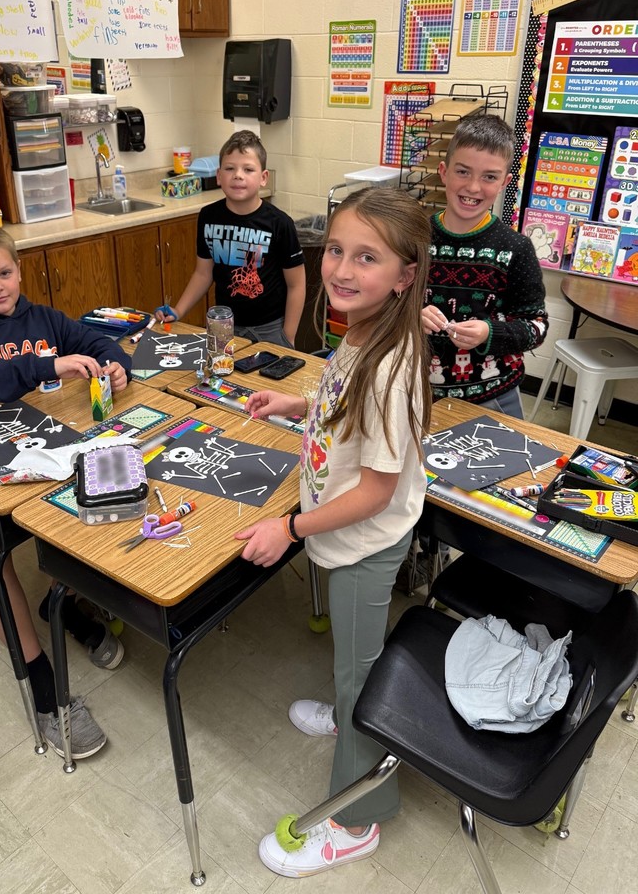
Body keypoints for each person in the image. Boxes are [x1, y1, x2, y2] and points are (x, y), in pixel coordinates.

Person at [233, 187, 433, 877]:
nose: (343, 270)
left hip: (364, 543)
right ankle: (350, 705)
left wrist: (289, 527)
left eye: (367, 257)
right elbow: (338, 398)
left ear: (405, 275)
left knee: (362, 675)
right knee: (354, 656)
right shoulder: (358, 326)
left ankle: (356, 819)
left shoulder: (395, 364)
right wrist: (296, 403)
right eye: (338, 251)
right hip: (340, 529)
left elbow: (377, 491)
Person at [0, 222, 133, 759]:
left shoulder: (43, 318)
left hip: (30, 443)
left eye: (5, 272)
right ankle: (43, 688)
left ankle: (70, 609)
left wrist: (115, 364)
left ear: (19, 268)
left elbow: (97, 339)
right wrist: (46, 365)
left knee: (97, 494)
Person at [421, 114, 548, 419]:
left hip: (495, 397)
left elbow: (537, 327)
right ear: (444, 172)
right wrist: (409, 314)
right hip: (417, 392)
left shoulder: (516, 249)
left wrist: (489, 334)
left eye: (489, 177)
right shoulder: (413, 239)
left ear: (505, 182)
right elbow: (386, 302)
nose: (474, 187)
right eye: (463, 172)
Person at [155, 130, 306, 347]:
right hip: (223, 325)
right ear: (218, 176)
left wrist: (288, 337)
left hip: (270, 329)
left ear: (263, 178)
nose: (238, 175)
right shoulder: (208, 216)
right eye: (229, 168)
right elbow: (202, 273)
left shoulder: (280, 223)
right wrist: (178, 310)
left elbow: (297, 284)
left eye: (248, 169)